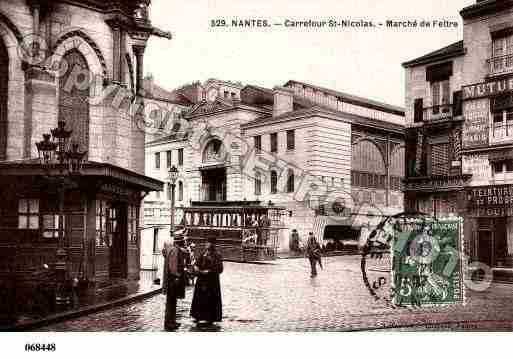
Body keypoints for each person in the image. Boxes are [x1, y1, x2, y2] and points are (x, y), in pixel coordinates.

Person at [190, 237, 223, 326]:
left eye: (208, 243)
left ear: (212, 244)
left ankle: (210, 318)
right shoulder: (203, 253)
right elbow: (197, 262)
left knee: (210, 299)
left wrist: (209, 271)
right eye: (206, 242)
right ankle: (197, 316)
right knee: (199, 298)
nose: (206, 244)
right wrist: (196, 267)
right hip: (201, 280)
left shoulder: (217, 255)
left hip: (211, 281)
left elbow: (220, 269)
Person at [162, 230, 190, 330]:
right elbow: (173, 268)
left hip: (171, 280)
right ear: (180, 242)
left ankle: (172, 321)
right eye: (183, 241)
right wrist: (179, 275)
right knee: (171, 302)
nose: (184, 243)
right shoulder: (175, 251)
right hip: (173, 280)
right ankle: (169, 323)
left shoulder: (172, 249)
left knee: (172, 302)